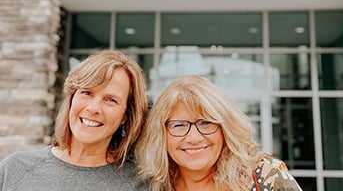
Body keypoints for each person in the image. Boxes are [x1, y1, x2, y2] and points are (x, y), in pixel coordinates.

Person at [0, 50, 148, 191]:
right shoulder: (14, 169)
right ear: (71, 99)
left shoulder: (140, 184)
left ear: (125, 116)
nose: (93, 108)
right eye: (87, 93)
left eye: (110, 100)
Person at [136, 75, 303, 191]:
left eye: (206, 122)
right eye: (179, 125)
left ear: (225, 128)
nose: (194, 138)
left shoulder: (266, 174)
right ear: (161, 134)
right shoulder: (150, 185)